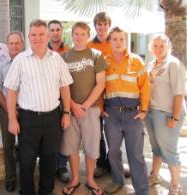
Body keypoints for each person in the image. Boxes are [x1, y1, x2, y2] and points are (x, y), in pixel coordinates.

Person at [4, 19, 73, 195]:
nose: (38, 38)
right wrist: (12, 119)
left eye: (41, 34)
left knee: (49, 160)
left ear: (48, 35)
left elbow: (65, 86)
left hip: (52, 118)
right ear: (29, 37)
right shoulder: (20, 60)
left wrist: (66, 112)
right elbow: (11, 91)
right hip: (28, 118)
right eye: (33, 35)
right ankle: (27, 191)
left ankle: (46, 190)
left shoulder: (57, 59)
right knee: (26, 161)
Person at [103, 27, 149, 195]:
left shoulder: (137, 61)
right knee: (113, 152)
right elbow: (99, 86)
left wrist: (144, 110)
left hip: (133, 115)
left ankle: (142, 190)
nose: (118, 42)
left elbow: (145, 87)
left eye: (121, 39)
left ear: (125, 40)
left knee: (136, 155)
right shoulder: (103, 61)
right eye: (114, 39)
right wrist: (101, 109)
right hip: (111, 114)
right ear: (110, 41)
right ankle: (117, 180)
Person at [61, 22, 106, 195]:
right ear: (71, 35)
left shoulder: (96, 55)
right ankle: (75, 179)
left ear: (88, 36)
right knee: (71, 146)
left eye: (82, 34)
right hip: (69, 109)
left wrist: (85, 106)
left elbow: (100, 84)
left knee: (91, 146)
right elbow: (61, 85)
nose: (79, 37)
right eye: (76, 33)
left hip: (91, 109)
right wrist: (72, 105)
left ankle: (90, 179)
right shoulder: (63, 57)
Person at [145, 34, 185, 195]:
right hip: (152, 111)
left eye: (162, 46)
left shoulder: (173, 64)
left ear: (168, 46)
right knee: (156, 148)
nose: (158, 49)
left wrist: (174, 117)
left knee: (169, 149)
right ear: (151, 48)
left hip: (168, 113)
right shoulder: (151, 64)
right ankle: (154, 175)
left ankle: (175, 185)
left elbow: (179, 93)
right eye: (155, 46)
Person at [0, 31, 24, 192]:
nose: (15, 46)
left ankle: (26, 175)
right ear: (7, 45)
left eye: (17, 43)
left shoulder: (30, 64)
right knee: (8, 145)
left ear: (22, 44)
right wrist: (10, 110)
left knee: (27, 145)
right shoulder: (1, 66)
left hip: (28, 111)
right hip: (6, 110)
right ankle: (11, 177)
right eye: (11, 43)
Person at [87, 12, 112, 178]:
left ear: (109, 26)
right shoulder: (89, 46)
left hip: (115, 95)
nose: (102, 28)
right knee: (98, 132)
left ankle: (114, 163)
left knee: (114, 133)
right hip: (97, 95)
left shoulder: (116, 42)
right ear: (95, 26)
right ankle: (101, 164)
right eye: (99, 24)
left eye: (105, 24)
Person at [47, 19, 70, 183]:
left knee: (64, 135)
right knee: (50, 136)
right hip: (48, 100)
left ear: (62, 31)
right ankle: (49, 166)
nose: (55, 32)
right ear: (48, 33)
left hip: (67, 100)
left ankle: (62, 166)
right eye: (52, 30)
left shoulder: (69, 51)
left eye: (57, 29)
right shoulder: (41, 50)